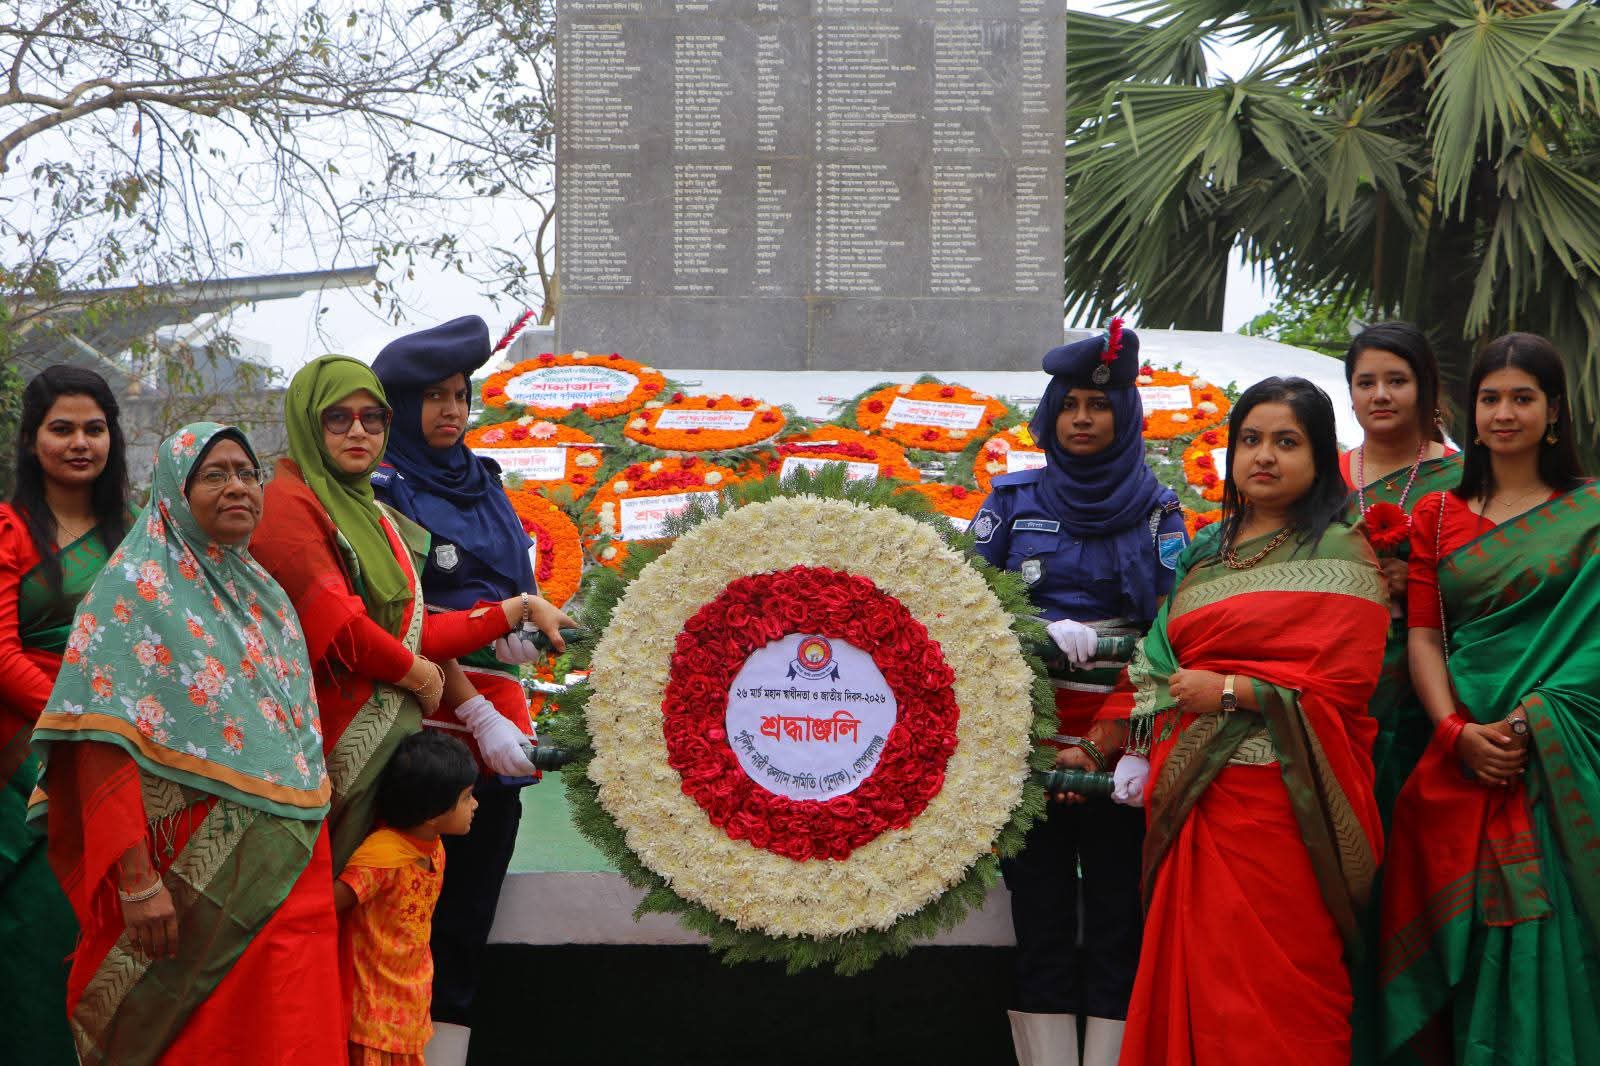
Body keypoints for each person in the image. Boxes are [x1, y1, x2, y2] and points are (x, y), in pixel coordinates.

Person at [29, 422, 343, 1063]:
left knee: (292, 1033)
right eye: (214, 474)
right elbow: (97, 744)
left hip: (291, 873)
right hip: (189, 882)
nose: (237, 487)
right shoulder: (134, 590)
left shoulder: (269, 598)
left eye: (247, 473)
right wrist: (138, 882)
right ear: (174, 490)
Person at [1119, 377, 1391, 1066]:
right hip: (1194, 799)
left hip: (1288, 807)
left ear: (1321, 456)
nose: (1263, 456)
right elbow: (1156, 656)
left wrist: (1236, 690)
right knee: (1199, 978)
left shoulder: (1341, 549)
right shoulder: (1206, 550)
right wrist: (1124, 738)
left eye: (1286, 441)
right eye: (1249, 440)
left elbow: (1347, 687)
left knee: (1284, 989)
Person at [249, 354, 570, 870]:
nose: (358, 430)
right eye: (338, 417)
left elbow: (415, 623)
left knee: (435, 917)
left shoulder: (391, 504)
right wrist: (438, 684)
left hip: (422, 727)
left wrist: (516, 618)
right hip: (379, 735)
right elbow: (359, 631)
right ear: (310, 422)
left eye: (370, 418)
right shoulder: (298, 503)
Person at [971, 322, 1187, 1066]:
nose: (1085, 418)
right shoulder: (1011, 499)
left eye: (1100, 404)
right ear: (1050, 415)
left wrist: (1104, 743)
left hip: (1125, 746)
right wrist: (1034, 627)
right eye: (1071, 405)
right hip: (1026, 749)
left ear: (1125, 415)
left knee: (1121, 924)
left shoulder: (1160, 511)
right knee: (1042, 924)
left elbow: (1170, 636)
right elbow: (964, 613)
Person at [1380, 333, 1597, 1064]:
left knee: (1553, 933)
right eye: (1490, 398)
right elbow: (1424, 639)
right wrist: (1453, 733)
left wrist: (1533, 720)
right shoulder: (1438, 515)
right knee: (1462, 939)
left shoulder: (1591, 513)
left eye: (1523, 398)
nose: (1505, 413)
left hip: (1559, 754)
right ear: (1469, 414)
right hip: (1461, 756)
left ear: (1554, 411)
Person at [371, 316, 567, 1061]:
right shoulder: (385, 488)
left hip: (498, 738)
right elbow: (410, 616)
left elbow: (511, 590)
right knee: (406, 919)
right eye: (433, 397)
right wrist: (478, 708)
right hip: (427, 729)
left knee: (466, 925)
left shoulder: (483, 483)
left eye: (460, 395)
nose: (451, 411)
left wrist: (521, 639)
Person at [0, 366, 131, 1065]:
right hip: (30, 763)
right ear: (30, 441)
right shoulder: (8, 529)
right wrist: (75, 725)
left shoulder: (138, 538)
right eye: (62, 428)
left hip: (127, 761)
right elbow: (0, 654)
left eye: (94, 428)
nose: (80, 442)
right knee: (40, 941)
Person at [1339, 322, 1463, 820]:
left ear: (1425, 389)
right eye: (1366, 383)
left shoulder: (1464, 479)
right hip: (1338, 682)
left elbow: (1488, 587)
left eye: (1397, 381)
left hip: (1433, 689)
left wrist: (1413, 589)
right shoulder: (1326, 475)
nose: (1380, 395)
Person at [338, 730, 480, 1066]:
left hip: (410, 1006)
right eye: (467, 797)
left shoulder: (435, 848)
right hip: (372, 1016)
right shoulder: (383, 855)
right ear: (433, 812)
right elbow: (326, 904)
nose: (475, 805)